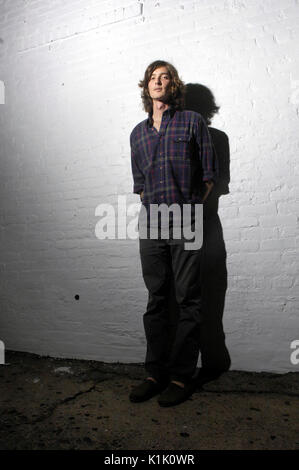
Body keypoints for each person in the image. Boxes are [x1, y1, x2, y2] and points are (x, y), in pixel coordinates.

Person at [129, 60, 218, 407]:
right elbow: (140, 185)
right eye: (153, 77)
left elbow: (208, 177)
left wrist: (189, 209)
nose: (159, 82)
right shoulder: (137, 133)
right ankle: (155, 373)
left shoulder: (193, 122)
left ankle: (181, 376)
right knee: (156, 299)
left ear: (174, 86)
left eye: (165, 77)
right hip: (151, 222)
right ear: (146, 87)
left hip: (186, 220)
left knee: (188, 299)